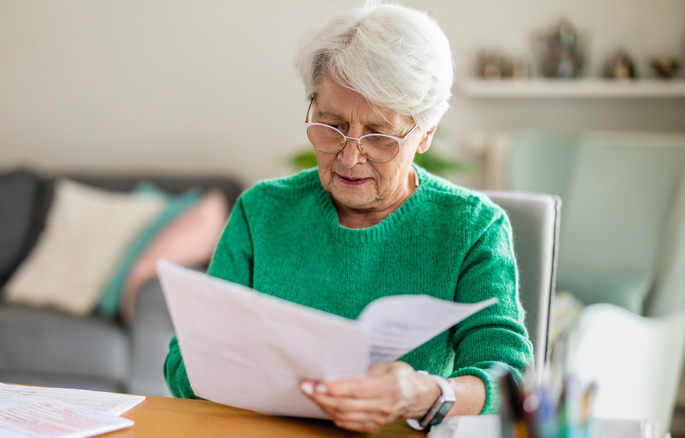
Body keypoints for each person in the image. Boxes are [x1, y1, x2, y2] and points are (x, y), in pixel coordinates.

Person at [164, 1, 532, 434]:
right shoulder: (261, 211)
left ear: (426, 134)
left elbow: (508, 376)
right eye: (331, 123)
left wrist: (423, 394)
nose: (350, 155)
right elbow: (181, 365)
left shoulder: (472, 228)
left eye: (379, 135)